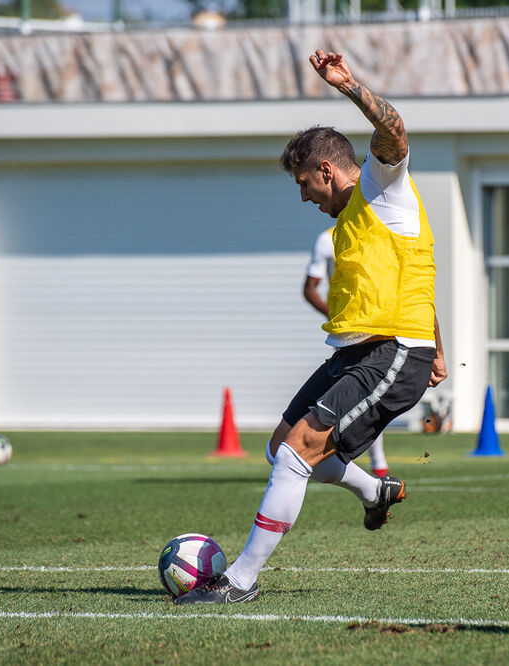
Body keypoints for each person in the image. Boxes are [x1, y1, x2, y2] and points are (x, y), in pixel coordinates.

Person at [174, 49, 447, 605]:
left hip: (393, 352)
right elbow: (415, 279)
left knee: (298, 451)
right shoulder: (348, 222)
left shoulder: (381, 186)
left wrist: (347, 85)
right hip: (360, 352)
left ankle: (239, 582)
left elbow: (394, 130)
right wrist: (441, 349)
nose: (303, 196)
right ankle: (374, 491)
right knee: (280, 448)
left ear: (327, 169)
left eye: (304, 183)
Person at [304, 226, 389, 477]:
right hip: (346, 333)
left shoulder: (378, 231)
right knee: (350, 393)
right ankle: (332, 457)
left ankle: (377, 461)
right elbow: (310, 288)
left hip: (378, 325)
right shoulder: (327, 239)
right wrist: (334, 316)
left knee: (371, 393)